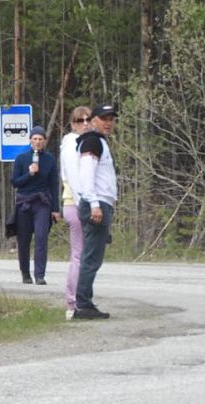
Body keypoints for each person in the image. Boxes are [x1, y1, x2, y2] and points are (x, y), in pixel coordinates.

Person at [72, 104, 118, 320]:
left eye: (111, 119)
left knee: (93, 256)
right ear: (93, 121)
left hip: (100, 202)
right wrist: (94, 204)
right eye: (104, 118)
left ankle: (85, 301)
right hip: (95, 203)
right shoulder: (92, 141)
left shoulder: (99, 142)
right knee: (91, 257)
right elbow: (86, 175)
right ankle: (83, 304)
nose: (108, 122)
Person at [10, 126, 60, 285]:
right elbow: (15, 182)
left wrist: (55, 209)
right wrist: (29, 174)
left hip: (42, 202)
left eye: (40, 139)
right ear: (30, 140)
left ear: (44, 141)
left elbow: (53, 184)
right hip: (24, 202)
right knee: (23, 239)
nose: (37, 142)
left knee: (41, 237)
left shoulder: (50, 159)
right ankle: (25, 273)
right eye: (35, 139)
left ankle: (40, 275)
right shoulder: (21, 159)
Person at [59, 106, 93, 319]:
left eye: (88, 119)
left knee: (82, 254)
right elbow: (74, 177)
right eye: (80, 120)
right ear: (72, 124)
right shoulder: (72, 144)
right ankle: (73, 302)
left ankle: (79, 299)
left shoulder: (83, 143)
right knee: (79, 255)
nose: (85, 123)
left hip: (79, 202)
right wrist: (86, 204)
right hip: (75, 203)